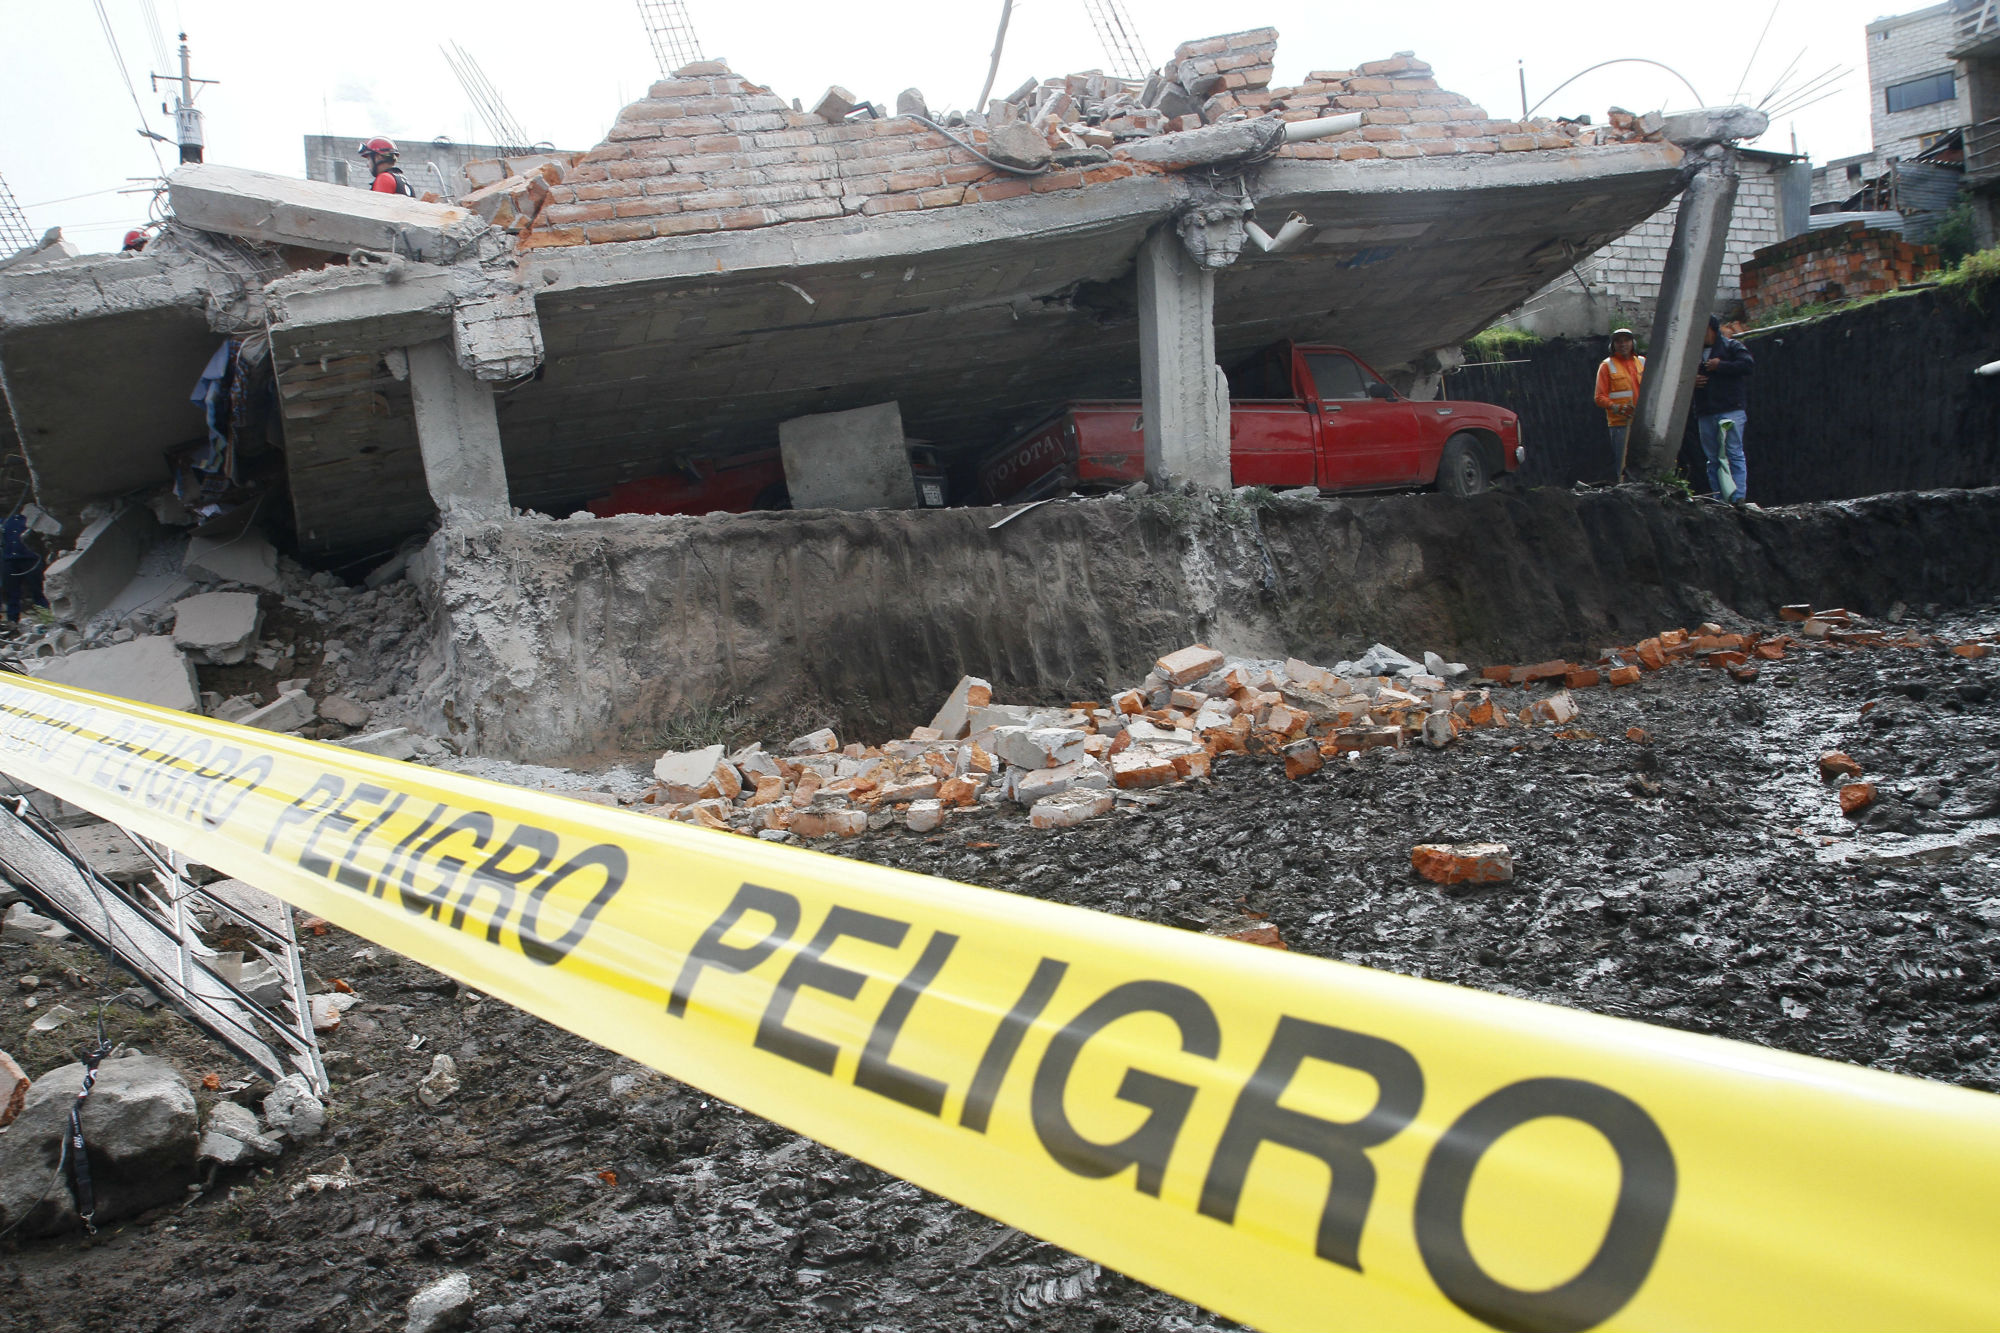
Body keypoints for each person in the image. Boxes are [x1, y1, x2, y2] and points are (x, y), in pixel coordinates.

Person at [1692, 314, 1753, 503]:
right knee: (1713, 458)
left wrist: (1721, 366)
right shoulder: (1692, 353)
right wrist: (1691, 381)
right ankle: (1720, 499)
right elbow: (1679, 377)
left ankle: (1738, 498)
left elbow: (1747, 365)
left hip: (1730, 408)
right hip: (1705, 411)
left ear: (1710, 328)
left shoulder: (1731, 346)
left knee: (1733, 452)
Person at [1593, 327, 1645, 479]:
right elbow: (1599, 397)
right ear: (1613, 345)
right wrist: (1616, 407)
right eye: (1619, 341)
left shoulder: (1642, 362)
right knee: (1623, 463)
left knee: (1644, 460)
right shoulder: (1607, 366)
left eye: (1626, 341)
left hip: (1641, 422)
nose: (1623, 344)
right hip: (1620, 423)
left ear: (1632, 343)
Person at [2, 512, 46, 626]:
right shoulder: (5, 521)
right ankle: (12, 623)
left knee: (38, 590)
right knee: (12, 593)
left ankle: (46, 620)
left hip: (30, 559)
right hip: (10, 560)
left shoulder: (31, 519)